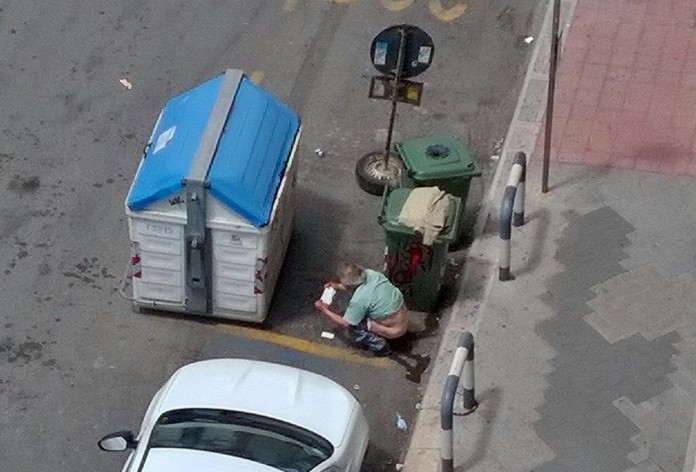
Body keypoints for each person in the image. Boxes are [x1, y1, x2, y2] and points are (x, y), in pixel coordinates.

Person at [314, 261, 408, 355]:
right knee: (362, 310)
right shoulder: (372, 274)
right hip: (402, 315)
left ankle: (380, 346)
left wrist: (324, 309)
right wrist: (337, 286)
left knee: (355, 327)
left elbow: (346, 323)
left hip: (394, 331)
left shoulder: (359, 300)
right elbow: (355, 286)